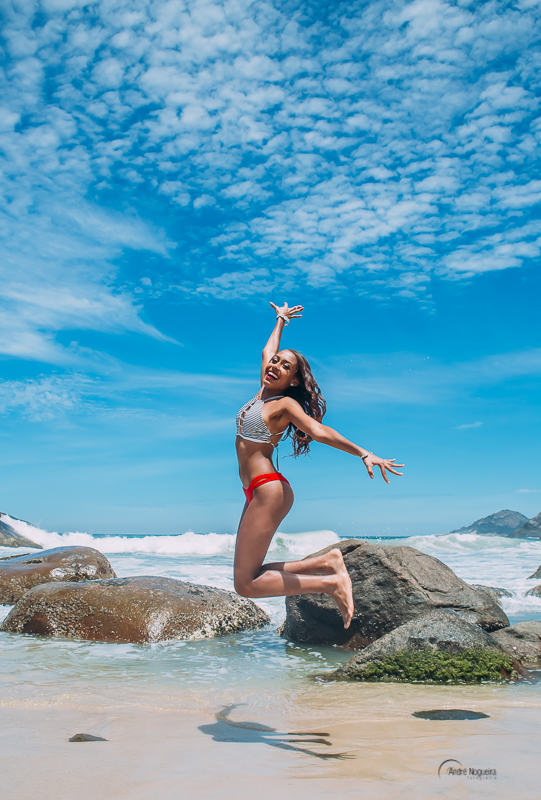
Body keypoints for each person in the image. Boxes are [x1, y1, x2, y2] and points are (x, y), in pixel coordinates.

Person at [234, 302, 404, 628]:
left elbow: (318, 430)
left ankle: (331, 583)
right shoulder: (262, 394)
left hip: (268, 489)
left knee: (246, 585)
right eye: (275, 361)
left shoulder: (283, 404)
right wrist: (280, 322)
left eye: (285, 367)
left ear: (294, 381)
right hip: (255, 491)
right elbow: (266, 350)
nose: (275, 365)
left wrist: (362, 452)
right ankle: (328, 563)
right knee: (249, 575)